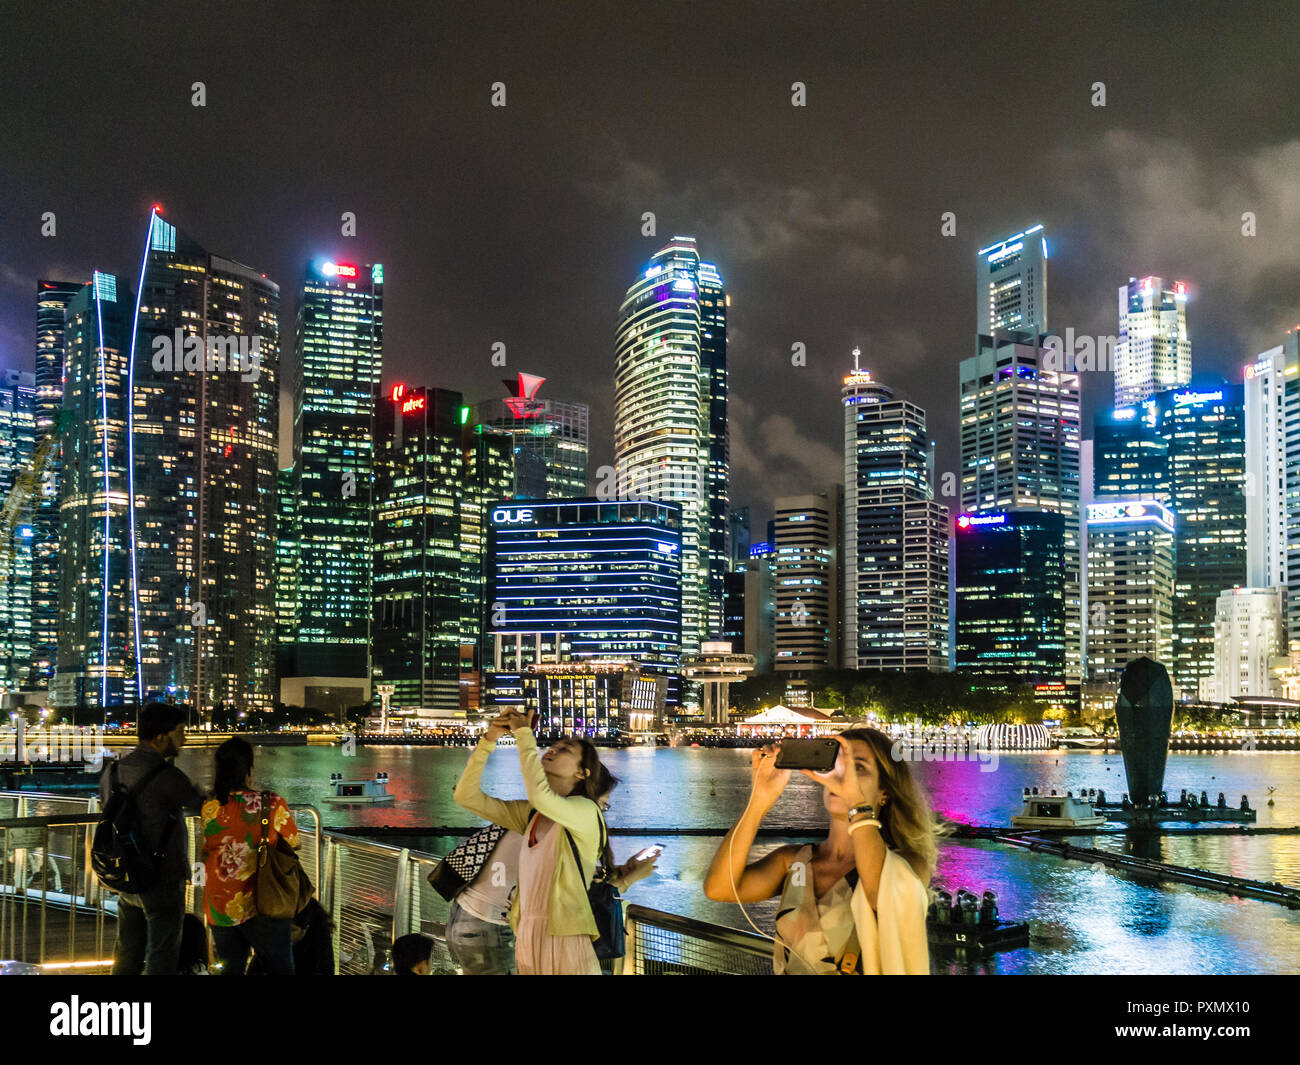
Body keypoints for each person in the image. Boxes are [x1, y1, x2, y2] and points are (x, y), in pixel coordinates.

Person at [703, 729, 936, 975]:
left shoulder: (906, 864)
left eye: (858, 768)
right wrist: (759, 800)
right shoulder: (793, 861)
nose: (842, 776)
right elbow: (719, 888)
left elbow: (883, 894)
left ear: (884, 793)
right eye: (836, 765)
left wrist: (857, 805)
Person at [453, 710, 613, 975]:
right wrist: (489, 739)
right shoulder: (532, 814)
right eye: (555, 745)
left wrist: (524, 734)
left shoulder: (586, 810)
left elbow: (540, 795)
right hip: (527, 935)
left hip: (564, 935)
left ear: (582, 773)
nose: (553, 748)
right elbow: (466, 796)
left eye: (565, 750)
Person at [99, 702, 202, 975]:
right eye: (180, 732)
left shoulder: (112, 772)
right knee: (162, 955)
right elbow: (203, 806)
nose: (185, 739)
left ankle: (120, 1015)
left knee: (127, 951)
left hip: (126, 874)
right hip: (162, 878)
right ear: (160, 737)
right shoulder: (168, 776)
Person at [200, 738, 300, 975]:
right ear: (249, 771)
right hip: (263, 900)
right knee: (280, 967)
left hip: (219, 901)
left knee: (230, 966)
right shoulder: (271, 803)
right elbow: (295, 842)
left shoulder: (210, 807)